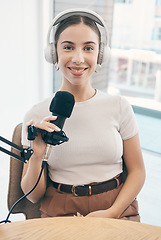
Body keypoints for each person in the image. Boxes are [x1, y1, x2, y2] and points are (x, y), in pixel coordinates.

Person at [21, 9, 145, 221]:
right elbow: (33, 196)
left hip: (116, 208)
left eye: (88, 48)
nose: (78, 59)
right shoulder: (37, 114)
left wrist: (112, 213)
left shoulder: (119, 106)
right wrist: (37, 156)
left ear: (100, 55)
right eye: (68, 47)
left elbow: (137, 171)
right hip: (59, 210)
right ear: (54, 54)